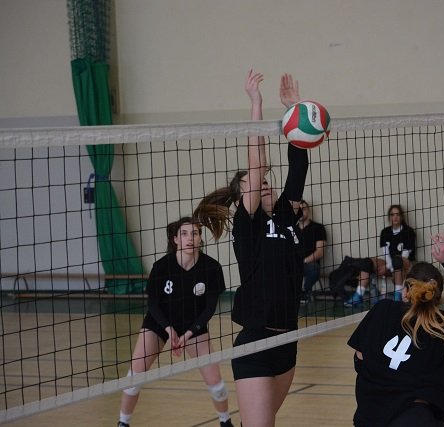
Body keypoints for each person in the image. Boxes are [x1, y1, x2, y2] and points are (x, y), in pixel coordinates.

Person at [193, 70, 307, 427]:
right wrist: (256, 103)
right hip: (255, 342)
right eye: (255, 184)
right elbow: (257, 161)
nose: (264, 184)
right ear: (244, 195)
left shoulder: (287, 215)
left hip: (289, 340)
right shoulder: (248, 224)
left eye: (266, 182)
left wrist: (294, 111)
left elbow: (299, 164)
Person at [347, 233, 444, 427]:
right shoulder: (443, 323)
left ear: (405, 290)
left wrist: (385, 378)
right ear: (438, 297)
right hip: (412, 414)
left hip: (371, 413)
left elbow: (359, 359)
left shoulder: (381, 309)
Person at [117, 217, 233, 427]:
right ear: (176, 239)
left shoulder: (211, 268)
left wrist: (188, 333)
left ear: (200, 239)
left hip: (193, 325)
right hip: (159, 323)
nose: (190, 238)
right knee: (134, 377)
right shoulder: (162, 267)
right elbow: (152, 304)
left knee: (216, 383)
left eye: (195, 233)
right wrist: (169, 330)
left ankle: (225, 421)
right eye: (184, 234)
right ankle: (123, 423)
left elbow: (209, 309)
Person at [332, 204, 416, 307]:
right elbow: (386, 254)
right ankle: (358, 295)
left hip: (405, 266)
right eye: (392, 215)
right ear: (389, 217)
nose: (395, 217)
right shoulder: (385, 232)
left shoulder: (408, 231)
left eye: (397, 214)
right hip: (390, 264)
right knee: (367, 263)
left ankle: (398, 296)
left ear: (402, 216)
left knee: (397, 260)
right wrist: (388, 267)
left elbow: (405, 256)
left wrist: (387, 267)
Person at [296, 199, 327, 303]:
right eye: (298, 210)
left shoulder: (318, 228)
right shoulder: (292, 229)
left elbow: (320, 252)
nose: (301, 212)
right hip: (293, 264)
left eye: (303, 209)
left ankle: (304, 293)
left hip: (309, 264)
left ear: (308, 211)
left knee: (314, 269)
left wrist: (303, 261)